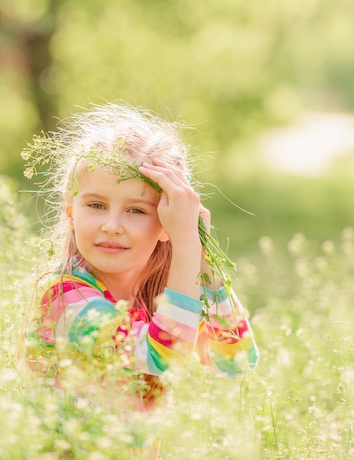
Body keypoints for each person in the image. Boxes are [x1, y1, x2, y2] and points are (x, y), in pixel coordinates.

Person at [22, 103, 259, 416]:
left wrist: (200, 250)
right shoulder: (65, 296)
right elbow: (163, 356)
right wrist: (186, 244)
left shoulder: (164, 295)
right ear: (70, 209)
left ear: (166, 223)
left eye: (136, 210)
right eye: (96, 205)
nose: (111, 226)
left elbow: (236, 361)